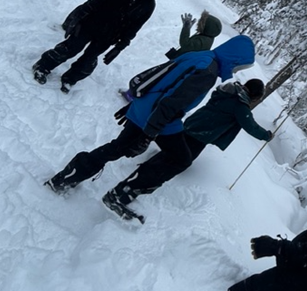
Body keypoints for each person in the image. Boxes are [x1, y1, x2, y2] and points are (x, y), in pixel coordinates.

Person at [44, 35, 257, 219]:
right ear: (234, 59)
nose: (238, 70)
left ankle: (66, 177)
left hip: (145, 106)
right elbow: (171, 102)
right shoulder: (207, 73)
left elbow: (161, 77)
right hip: (158, 115)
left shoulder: (202, 56)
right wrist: (150, 133)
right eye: (241, 65)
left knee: (120, 146)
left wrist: (134, 107)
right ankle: (121, 195)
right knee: (181, 159)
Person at [111, 78, 273, 205]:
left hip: (190, 126)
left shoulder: (229, 92)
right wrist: (266, 135)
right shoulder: (240, 106)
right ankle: (130, 189)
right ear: (254, 95)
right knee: (176, 162)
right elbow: (250, 126)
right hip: (201, 135)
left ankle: (138, 178)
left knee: (171, 156)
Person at [33, 0, 163, 92]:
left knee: (89, 59)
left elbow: (136, 26)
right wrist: (81, 14)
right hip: (92, 23)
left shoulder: (149, 4)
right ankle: (42, 67)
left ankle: (70, 79)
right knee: (71, 47)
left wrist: (121, 45)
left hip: (110, 35)